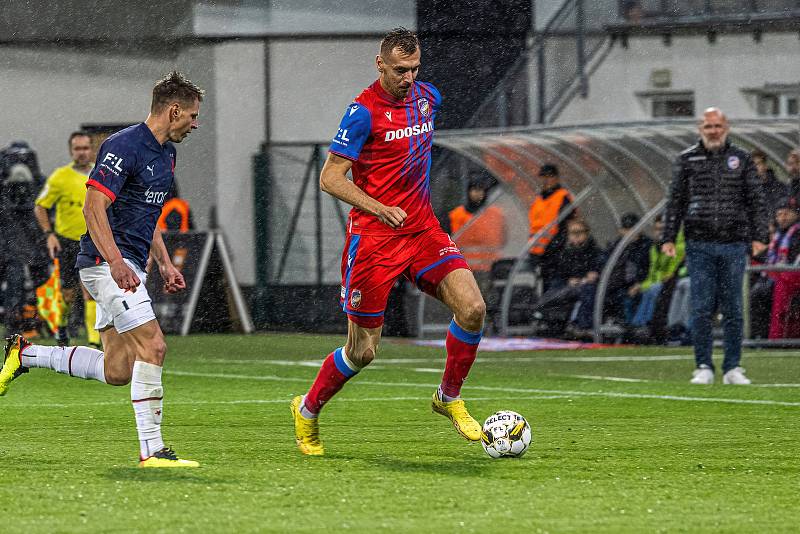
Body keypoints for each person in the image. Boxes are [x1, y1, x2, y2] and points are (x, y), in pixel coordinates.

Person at [290, 28, 486, 456]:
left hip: (422, 230)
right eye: (400, 70)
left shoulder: (427, 97)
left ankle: (448, 398)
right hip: (375, 238)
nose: (409, 77)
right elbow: (330, 178)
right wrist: (379, 207)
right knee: (363, 352)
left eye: (415, 69)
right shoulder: (362, 112)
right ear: (379, 64)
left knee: (472, 309)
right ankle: (307, 410)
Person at [0, 71, 204, 467]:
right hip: (105, 264)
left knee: (117, 369)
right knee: (154, 346)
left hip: (129, 264)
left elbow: (149, 213)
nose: (195, 123)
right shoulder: (123, 145)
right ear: (174, 110)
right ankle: (153, 450)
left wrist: (162, 262)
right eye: (193, 115)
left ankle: (25, 355)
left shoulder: (167, 153)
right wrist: (114, 263)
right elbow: (92, 207)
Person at [662, 107, 768, 385]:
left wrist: (760, 236)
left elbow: (755, 201)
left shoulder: (741, 159)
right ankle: (703, 365)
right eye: (708, 127)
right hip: (699, 243)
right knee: (701, 307)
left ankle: (733, 366)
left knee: (733, 307)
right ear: (700, 129)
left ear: (727, 127)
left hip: (734, 243)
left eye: (718, 126)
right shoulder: (687, 159)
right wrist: (668, 237)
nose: (714, 131)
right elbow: (675, 202)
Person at [33, 131, 100, 347]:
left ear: (91, 149)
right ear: (71, 151)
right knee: (68, 294)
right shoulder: (60, 177)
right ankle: (62, 327)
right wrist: (49, 235)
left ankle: (94, 342)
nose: (82, 153)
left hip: (93, 240)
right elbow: (40, 206)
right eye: (77, 149)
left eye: (85, 148)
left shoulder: (101, 174)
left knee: (90, 290)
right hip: (68, 242)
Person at [536, 218, 603, 338]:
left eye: (579, 232)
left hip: (585, 286)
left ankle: (579, 325)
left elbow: (598, 268)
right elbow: (555, 270)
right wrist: (568, 279)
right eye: (572, 233)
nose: (576, 236)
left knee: (587, 290)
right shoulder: (562, 252)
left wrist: (590, 275)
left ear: (586, 234)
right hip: (566, 284)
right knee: (553, 290)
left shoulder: (595, 251)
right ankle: (546, 320)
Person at [528, 163, 574, 292]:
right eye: (543, 177)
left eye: (550, 176)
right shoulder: (538, 199)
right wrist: (533, 252)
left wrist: (554, 247)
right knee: (542, 286)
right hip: (539, 254)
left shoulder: (563, 197)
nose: (546, 180)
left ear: (557, 178)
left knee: (554, 287)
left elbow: (565, 226)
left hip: (555, 252)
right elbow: (534, 227)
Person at [448, 175, 506, 273]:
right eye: (474, 189)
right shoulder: (456, 215)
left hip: (489, 268)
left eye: (480, 190)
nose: (477, 193)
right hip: (463, 268)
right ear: (468, 192)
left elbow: (503, 238)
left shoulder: (496, 214)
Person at [751, 149, 787, 221]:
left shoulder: (779, 187)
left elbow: (781, 208)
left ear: (765, 166)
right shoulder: (747, 189)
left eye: (758, 164)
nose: (754, 168)